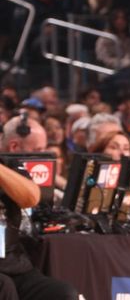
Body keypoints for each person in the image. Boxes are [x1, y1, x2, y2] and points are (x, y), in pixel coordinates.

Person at [0, 115, 78, 299]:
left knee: (63, 293)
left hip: (13, 264)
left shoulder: (9, 165)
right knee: (5, 286)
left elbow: (31, 197)